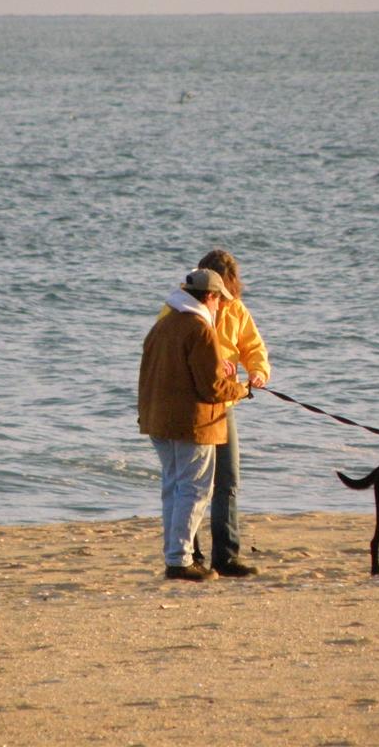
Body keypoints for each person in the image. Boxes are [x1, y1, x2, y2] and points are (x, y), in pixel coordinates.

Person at [138, 268, 251, 581]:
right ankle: (180, 560)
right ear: (211, 297)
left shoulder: (163, 325)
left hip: (158, 419)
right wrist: (242, 388)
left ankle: (176, 556)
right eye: (219, 301)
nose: (219, 308)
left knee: (173, 489)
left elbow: (155, 371)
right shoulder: (200, 328)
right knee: (194, 489)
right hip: (192, 423)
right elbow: (212, 388)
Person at [192, 249, 271, 577]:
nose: (220, 297)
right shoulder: (184, 311)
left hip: (225, 405)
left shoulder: (237, 310)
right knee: (194, 483)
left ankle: (226, 555)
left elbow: (253, 347)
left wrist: (258, 372)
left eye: (226, 289)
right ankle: (190, 555)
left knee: (228, 480)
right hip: (194, 405)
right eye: (215, 290)